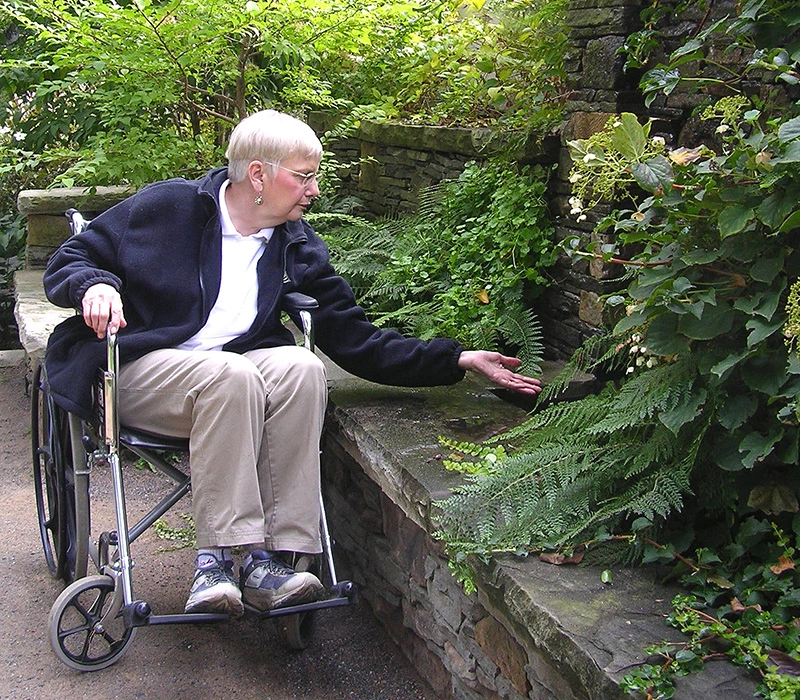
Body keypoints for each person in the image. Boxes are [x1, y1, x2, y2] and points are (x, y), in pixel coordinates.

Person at [43, 109, 543, 617]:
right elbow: (70, 260)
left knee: (302, 368)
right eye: (304, 177)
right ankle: (217, 560)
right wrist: (95, 285)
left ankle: (276, 559)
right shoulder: (170, 208)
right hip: (138, 370)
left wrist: (455, 357)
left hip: (230, 383)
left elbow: (356, 339)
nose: (315, 190)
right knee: (231, 374)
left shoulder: (295, 246)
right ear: (258, 175)